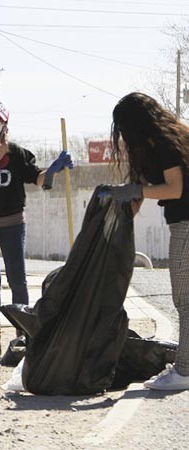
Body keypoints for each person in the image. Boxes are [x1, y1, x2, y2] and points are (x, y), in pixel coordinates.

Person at [0, 100, 73, 356]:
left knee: (17, 280)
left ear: (5, 125)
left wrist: (54, 169)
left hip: (12, 224)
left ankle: (22, 334)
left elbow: (38, 178)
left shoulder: (18, 154)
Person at [104, 92, 189, 390]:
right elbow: (138, 190)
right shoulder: (153, 146)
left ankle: (184, 371)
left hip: (186, 224)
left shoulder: (165, 144)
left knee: (185, 300)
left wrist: (135, 192)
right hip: (182, 222)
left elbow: (175, 189)